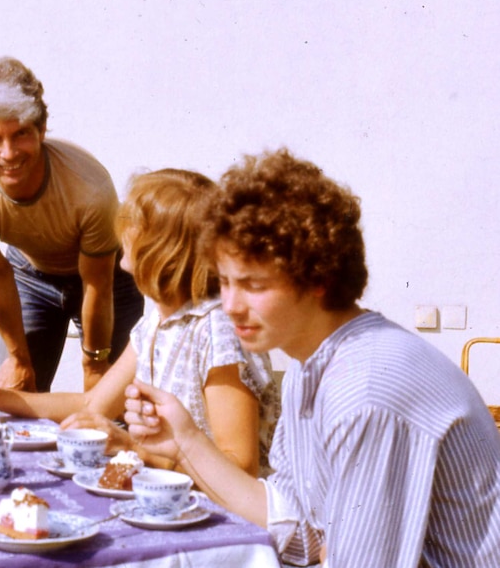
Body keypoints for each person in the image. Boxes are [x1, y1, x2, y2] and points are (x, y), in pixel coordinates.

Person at [124, 149, 500, 566]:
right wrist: (184, 441)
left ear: (317, 277)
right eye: (225, 282)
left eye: (253, 286)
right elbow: (293, 524)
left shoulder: (366, 388)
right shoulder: (310, 365)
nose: (229, 305)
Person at [0, 169, 279, 475]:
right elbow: (91, 404)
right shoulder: (158, 323)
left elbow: (241, 467)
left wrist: (132, 448)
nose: (122, 228)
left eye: (134, 221)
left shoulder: (217, 329)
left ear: (163, 248)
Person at [0, 55, 144, 393]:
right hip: (29, 273)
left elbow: (98, 283)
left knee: (111, 405)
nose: (8, 153)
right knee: (17, 396)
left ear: (42, 129)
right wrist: (19, 359)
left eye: (20, 134)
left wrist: (94, 363)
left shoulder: (89, 188)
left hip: (105, 279)